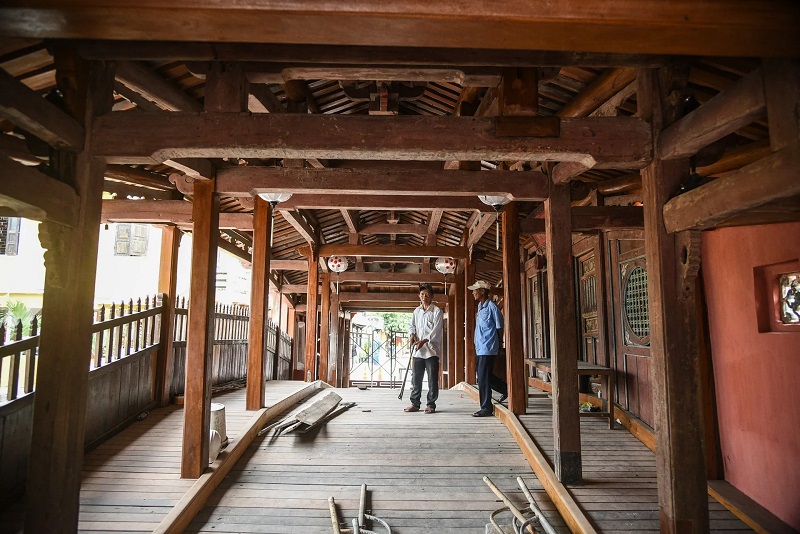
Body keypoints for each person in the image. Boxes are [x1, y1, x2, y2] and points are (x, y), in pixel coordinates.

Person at [468, 280, 508, 417]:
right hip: (480, 346)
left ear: (483, 291)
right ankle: (506, 389)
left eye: (475, 290)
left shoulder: (492, 307)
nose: (473, 292)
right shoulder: (480, 306)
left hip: (488, 346)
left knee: (483, 377)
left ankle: (486, 407)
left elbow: (499, 327)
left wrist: (500, 344)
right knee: (484, 376)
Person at [405, 283, 444, 414]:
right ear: (419, 296)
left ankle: (431, 404)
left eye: (427, 294)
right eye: (422, 294)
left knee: (432, 379)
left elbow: (436, 331)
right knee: (416, 379)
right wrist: (412, 335)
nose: (424, 296)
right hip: (418, 351)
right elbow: (412, 326)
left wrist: (424, 340)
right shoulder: (416, 311)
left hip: (431, 351)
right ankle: (415, 403)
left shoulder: (437, 311)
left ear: (432, 296)